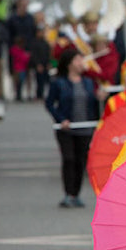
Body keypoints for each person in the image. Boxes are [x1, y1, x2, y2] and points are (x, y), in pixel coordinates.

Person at [44, 47, 101, 208]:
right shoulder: (59, 83)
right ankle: (68, 194)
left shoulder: (89, 83)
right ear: (69, 63)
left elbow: (94, 104)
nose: (81, 62)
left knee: (80, 161)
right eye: (78, 59)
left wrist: (99, 98)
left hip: (85, 127)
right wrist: (61, 119)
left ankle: (76, 194)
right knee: (69, 159)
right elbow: (49, 103)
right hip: (66, 129)